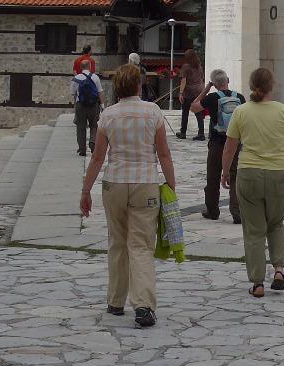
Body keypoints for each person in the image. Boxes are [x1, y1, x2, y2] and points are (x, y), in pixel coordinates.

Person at [79, 63, 174, 328]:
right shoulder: (152, 112)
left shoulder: (108, 115)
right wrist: (172, 186)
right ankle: (143, 305)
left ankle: (116, 300)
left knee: (117, 242)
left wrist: (86, 190)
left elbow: (98, 157)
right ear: (139, 85)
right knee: (141, 245)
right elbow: (164, 153)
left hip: (115, 183)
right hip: (145, 182)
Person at [222, 67, 284, 297]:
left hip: (249, 172)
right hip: (278, 172)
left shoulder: (241, 111)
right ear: (272, 85)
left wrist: (225, 172)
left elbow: (230, 147)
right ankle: (279, 269)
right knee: (276, 223)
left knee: (254, 230)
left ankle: (257, 282)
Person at [192, 69, 245, 221]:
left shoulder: (212, 97)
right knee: (234, 176)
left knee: (213, 176)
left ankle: (212, 211)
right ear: (227, 80)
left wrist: (206, 89)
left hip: (217, 142)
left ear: (214, 84)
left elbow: (194, 107)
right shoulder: (239, 97)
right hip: (235, 142)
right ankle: (237, 212)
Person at [72, 67, 103, 157]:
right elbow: (100, 92)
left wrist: (76, 104)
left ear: (81, 67)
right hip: (93, 105)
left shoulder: (76, 78)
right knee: (94, 125)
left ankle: (82, 149)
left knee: (81, 127)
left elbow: (73, 93)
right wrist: (102, 105)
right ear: (89, 67)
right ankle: (92, 142)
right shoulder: (95, 77)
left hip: (80, 105)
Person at [174, 49, 206, 139]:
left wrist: (180, 93)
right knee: (198, 112)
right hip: (199, 91)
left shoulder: (186, 67)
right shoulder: (199, 66)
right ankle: (201, 133)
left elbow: (183, 80)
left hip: (189, 92)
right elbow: (202, 77)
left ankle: (183, 132)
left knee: (185, 112)